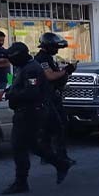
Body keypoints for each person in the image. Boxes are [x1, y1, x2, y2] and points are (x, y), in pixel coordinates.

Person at [0, 42, 73, 195]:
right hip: (25, 112)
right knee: (31, 146)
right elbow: (19, 87)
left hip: (30, 113)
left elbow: (31, 93)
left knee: (19, 146)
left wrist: (6, 95)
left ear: (17, 57)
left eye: (11, 57)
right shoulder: (24, 68)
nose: (9, 61)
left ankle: (21, 182)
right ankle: (60, 164)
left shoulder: (32, 69)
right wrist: (5, 91)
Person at [35, 32, 76, 164]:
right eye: (55, 47)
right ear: (47, 46)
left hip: (53, 95)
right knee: (59, 126)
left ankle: (47, 156)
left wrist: (66, 71)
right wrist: (66, 71)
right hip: (47, 98)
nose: (57, 50)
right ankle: (60, 156)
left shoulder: (49, 57)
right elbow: (50, 76)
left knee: (49, 127)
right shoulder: (42, 58)